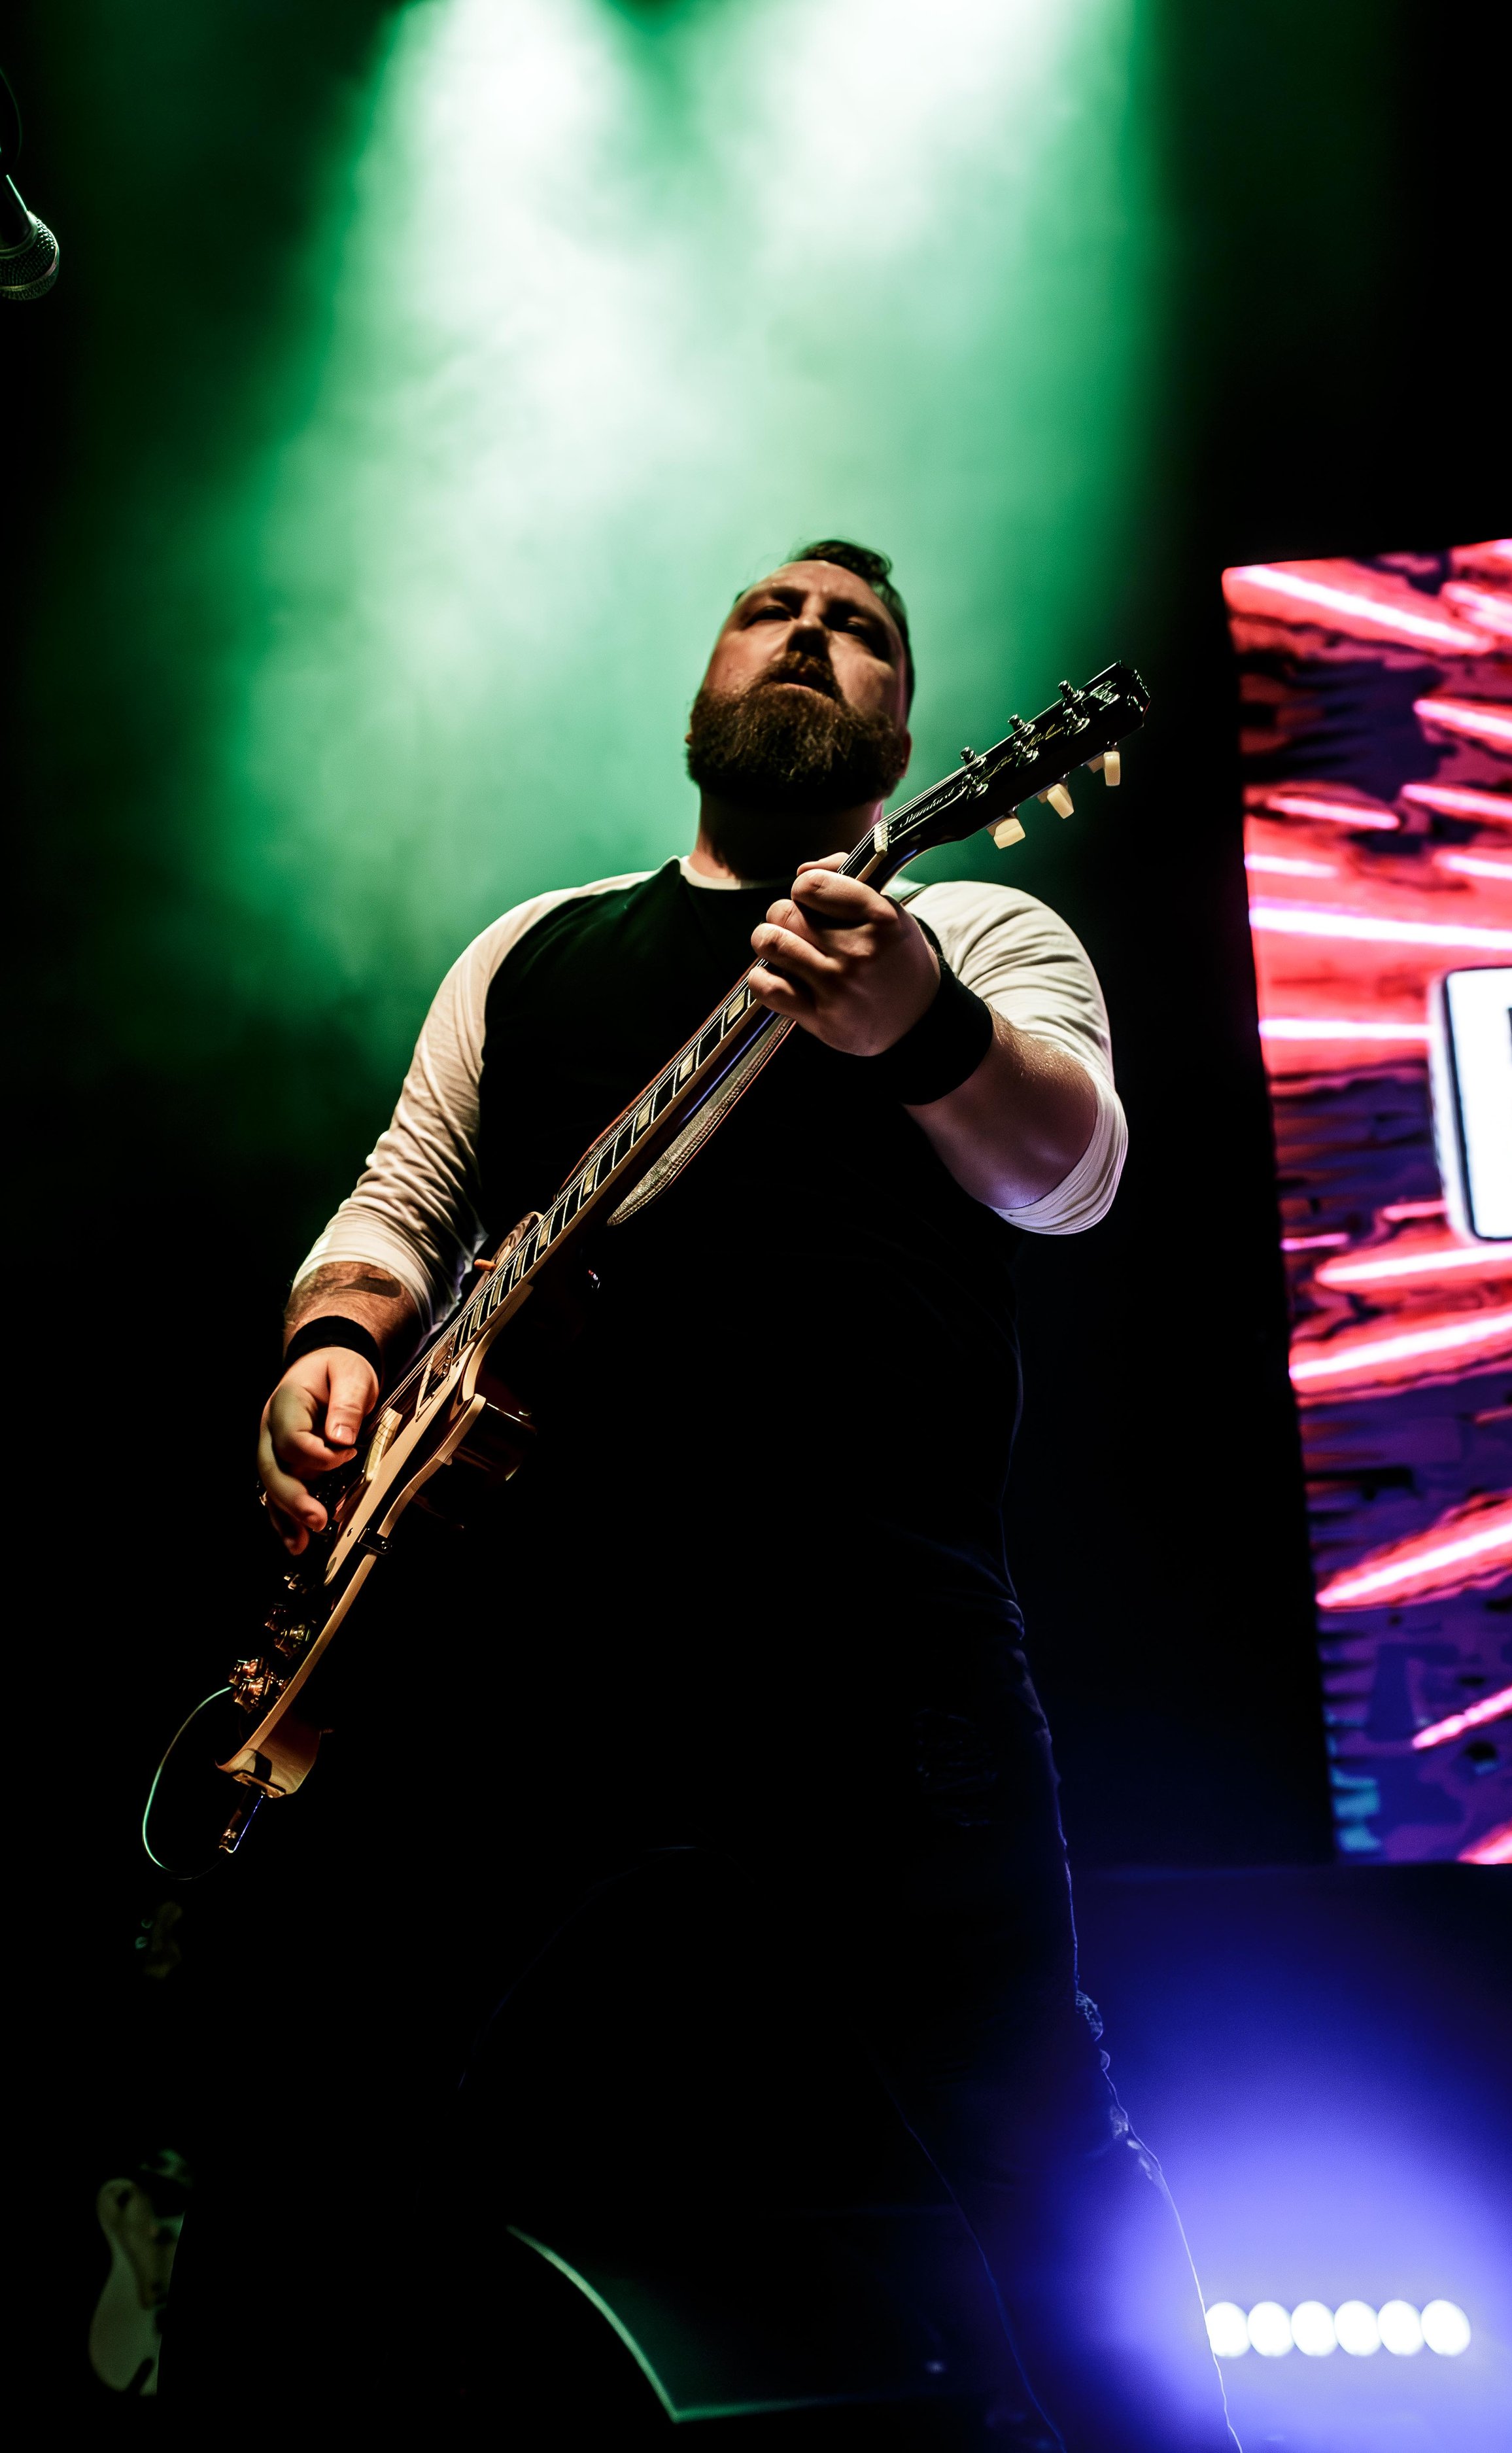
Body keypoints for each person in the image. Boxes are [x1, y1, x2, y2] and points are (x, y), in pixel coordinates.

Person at [167, 544, 1227, 2448]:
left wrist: (914, 1023)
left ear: (905, 729)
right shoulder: (535, 945)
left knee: (1036, 2147)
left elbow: (1072, 1176)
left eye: (861, 630)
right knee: (312, 2119)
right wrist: (333, 1340)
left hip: (867, 1626)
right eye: (774, 610)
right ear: (707, 685)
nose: (810, 633)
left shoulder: (977, 927)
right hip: (509, 1628)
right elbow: (405, 1196)